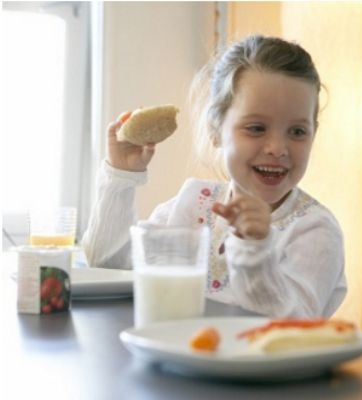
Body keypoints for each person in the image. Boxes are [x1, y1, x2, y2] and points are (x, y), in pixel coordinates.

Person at [82, 35, 346, 318]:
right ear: (215, 130)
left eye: (297, 132)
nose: (278, 149)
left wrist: (254, 250)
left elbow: (295, 323)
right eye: (256, 128)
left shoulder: (314, 230)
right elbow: (108, 265)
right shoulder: (194, 203)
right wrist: (120, 175)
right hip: (181, 355)